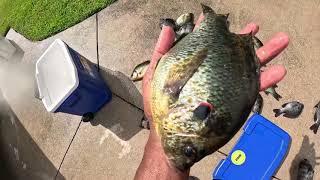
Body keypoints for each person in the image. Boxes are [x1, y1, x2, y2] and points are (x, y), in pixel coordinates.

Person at [134, 14, 289, 180]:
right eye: (188, 151)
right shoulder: (165, 111)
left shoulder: (160, 110)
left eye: (189, 151)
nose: (182, 161)